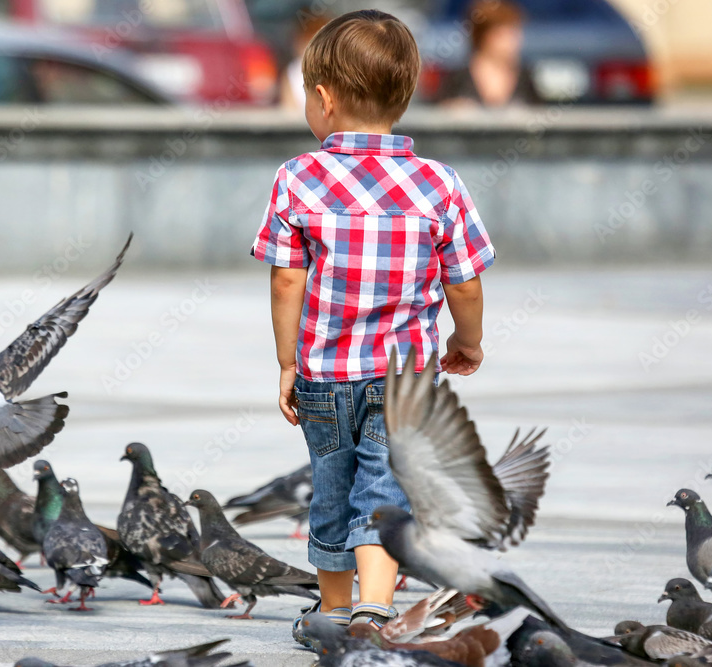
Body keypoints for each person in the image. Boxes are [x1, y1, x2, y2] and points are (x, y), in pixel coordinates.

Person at [250, 9, 495, 639]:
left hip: (325, 374)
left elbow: (285, 280)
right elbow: (464, 282)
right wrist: (466, 341)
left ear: (324, 100)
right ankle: (375, 608)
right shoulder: (439, 184)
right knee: (385, 490)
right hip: (405, 381)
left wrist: (286, 362)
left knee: (330, 487)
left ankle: (333, 610)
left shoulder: (298, 177)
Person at [439, 0, 541, 107]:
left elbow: (539, 112)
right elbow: (436, 113)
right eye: (504, 35)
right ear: (484, 37)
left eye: (515, 33)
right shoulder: (459, 77)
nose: (514, 41)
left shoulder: (525, 76)